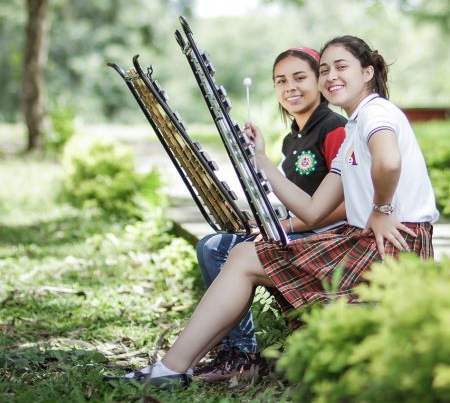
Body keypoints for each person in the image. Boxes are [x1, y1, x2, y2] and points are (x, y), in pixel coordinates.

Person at [110, 35, 438, 390]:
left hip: (392, 243)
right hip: (365, 241)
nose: (330, 77)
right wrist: (262, 160)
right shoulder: (354, 130)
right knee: (244, 256)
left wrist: (382, 208)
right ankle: (174, 368)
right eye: (325, 69)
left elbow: (389, 161)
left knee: (245, 258)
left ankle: (179, 367)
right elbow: (312, 211)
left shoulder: (376, 111)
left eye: (341, 67)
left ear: (367, 72)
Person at [194, 46, 347, 382]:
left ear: (320, 81)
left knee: (220, 248)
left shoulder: (335, 129)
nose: (289, 86)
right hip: (296, 229)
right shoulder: (292, 139)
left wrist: (285, 225)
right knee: (211, 244)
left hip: (329, 238)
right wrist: (263, 220)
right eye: (281, 80)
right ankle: (237, 352)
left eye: (299, 77)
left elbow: (348, 204)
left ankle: (241, 353)